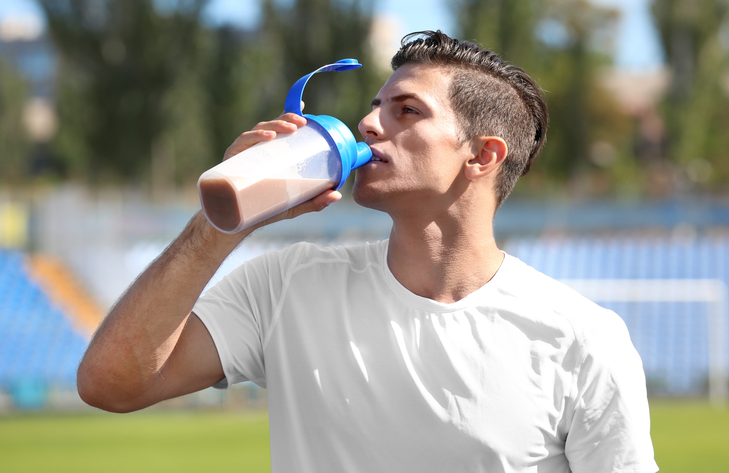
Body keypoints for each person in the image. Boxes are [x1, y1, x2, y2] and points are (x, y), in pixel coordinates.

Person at [77, 31, 658, 473]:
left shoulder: (583, 339)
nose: (367, 123)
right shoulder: (285, 286)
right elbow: (111, 384)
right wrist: (221, 222)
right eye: (376, 106)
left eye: (406, 111)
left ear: (483, 156)